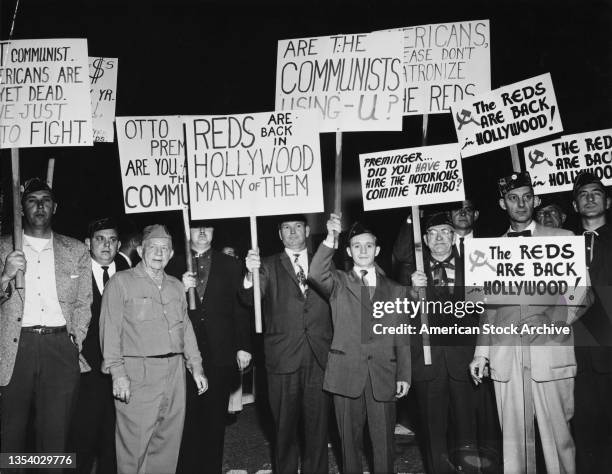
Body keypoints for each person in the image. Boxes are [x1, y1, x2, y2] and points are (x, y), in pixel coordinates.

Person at [469, 172, 577, 473]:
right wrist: (481, 354)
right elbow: (487, 309)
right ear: (502, 204)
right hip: (507, 357)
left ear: (536, 199)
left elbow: (582, 296)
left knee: (559, 441)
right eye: (513, 198)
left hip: (549, 352)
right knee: (513, 446)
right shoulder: (489, 251)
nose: (521, 203)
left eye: (527, 196)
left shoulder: (563, 240)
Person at [100, 224, 207, 474]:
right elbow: (110, 331)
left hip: (174, 374)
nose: (159, 253)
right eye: (153, 247)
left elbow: (186, 330)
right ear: (140, 250)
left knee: (167, 445)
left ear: (171, 255)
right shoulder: (120, 282)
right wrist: (118, 374)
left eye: (165, 249)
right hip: (138, 374)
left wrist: (197, 367)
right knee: (133, 448)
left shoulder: (176, 286)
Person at [309, 214, 410, 474]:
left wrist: (404, 374)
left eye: (368, 245)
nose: (363, 250)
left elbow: (402, 334)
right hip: (346, 372)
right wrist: (330, 238)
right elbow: (315, 272)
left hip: (383, 374)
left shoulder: (395, 289)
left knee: (383, 443)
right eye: (356, 246)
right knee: (348, 444)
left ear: (377, 249)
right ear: (348, 250)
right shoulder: (339, 282)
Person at [0, 178, 92, 461]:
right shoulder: (3, 248)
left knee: (56, 440)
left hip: (60, 348)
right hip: (15, 350)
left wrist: (74, 340)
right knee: (10, 438)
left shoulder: (75, 250)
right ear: (21, 208)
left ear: (55, 207)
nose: (40, 206)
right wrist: (4, 275)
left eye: (46, 200)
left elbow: (83, 302)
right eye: (32, 200)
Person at [242, 214, 332, 474]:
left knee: (317, 429)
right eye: (286, 228)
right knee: (284, 430)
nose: (292, 232)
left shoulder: (323, 262)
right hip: (283, 359)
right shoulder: (267, 265)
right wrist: (250, 273)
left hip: (319, 357)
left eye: (297, 227)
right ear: (279, 234)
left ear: (307, 230)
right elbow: (249, 299)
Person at [167, 220, 251, 474]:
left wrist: (243, 346)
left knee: (215, 420)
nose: (202, 233)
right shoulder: (173, 265)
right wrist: (179, 289)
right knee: (186, 419)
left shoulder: (232, 265)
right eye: (196, 228)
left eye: (208, 228)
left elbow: (241, 308)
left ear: (215, 232)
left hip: (221, 352)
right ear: (187, 232)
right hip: (183, 353)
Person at [410, 212, 480, 473]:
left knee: (467, 431)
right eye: (433, 233)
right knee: (433, 434)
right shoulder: (412, 271)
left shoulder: (473, 266)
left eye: (445, 232)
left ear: (454, 237)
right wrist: (411, 291)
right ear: (425, 240)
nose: (439, 238)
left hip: (464, 361)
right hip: (429, 363)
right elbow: (398, 315)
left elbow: (482, 312)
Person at [71, 217, 129, 474]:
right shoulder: (74, 273)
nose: (106, 245)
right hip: (86, 367)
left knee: (114, 436)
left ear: (119, 245)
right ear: (87, 243)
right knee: (82, 434)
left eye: (112, 239)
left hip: (121, 368)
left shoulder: (129, 273)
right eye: (100, 239)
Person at [570, 171, 612, 473]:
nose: (590, 197)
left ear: (607, 201)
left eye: (596, 192)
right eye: (583, 194)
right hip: (573, 347)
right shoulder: (562, 245)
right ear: (575, 206)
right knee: (581, 424)